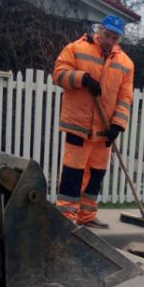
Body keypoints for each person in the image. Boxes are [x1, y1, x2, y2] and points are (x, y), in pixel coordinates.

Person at [52, 14, 134, 228]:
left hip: (104, 128)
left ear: (120, 39)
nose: (109, 41)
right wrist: (83, 79)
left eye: (115, 38)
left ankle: (86, 216)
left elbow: (125, 97)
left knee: (96, 173)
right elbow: (59, 74)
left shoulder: (126, 63)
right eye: (107, 35)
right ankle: (66, 218)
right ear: (100, 30)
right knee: (73, 172)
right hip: (78, 125)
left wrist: (118, 124)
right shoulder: (76, 48)